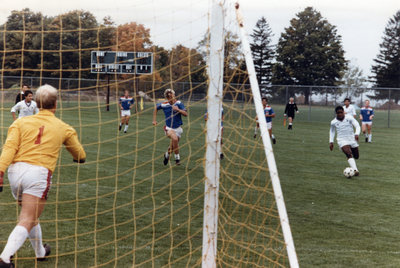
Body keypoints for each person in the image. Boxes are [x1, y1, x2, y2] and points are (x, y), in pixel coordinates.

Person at [0, 85, 86, 267]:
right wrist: (78, 157)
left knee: (31, 215)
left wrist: (0, 171)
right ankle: (5, 258)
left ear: (37, 103)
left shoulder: (19, 123)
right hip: (38, 173)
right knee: (27, 218)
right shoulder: (64, 127)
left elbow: (9, 149)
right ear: (55, 104)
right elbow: (80, 155)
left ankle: (40, 252)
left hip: (15, 172)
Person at [153, 89, 187, 165]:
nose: (170, 97)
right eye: (168, 96)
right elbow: (155, 108)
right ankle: (177, 159)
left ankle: (166, 155)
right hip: (168, 128)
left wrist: (178, 109)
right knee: (174, 139)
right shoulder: (164, 104)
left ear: (174, 95)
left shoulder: (179, 103)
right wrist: (154, 120)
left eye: (171, 95)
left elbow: (185, 114)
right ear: (167, 97)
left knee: (172, 146)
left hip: (178, 129)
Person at [329, 106, 360, 176]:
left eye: (341, 112)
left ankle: (352, 163)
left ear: (343, 112)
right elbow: (332, 131)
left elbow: (357, 125)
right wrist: (331, 141)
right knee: (348, 153)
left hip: (352, 139)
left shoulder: (349, 118)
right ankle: (355, 170)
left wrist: (356, 134)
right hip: (342, 140)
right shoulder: (333, 122)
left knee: (356, 156)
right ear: (336, 113)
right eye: (338, 113)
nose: (340, 114)